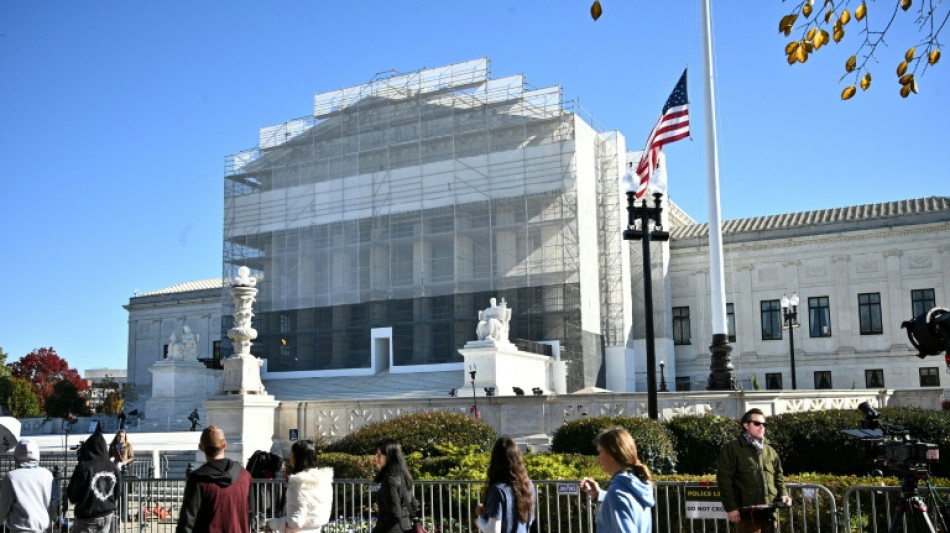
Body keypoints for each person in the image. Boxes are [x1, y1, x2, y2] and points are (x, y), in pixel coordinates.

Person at [716, 408, 792, 533]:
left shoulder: (770, 451)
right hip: (747, 515)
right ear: (746, 425)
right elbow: (724, 480)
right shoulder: (732, 449)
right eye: (757, 423)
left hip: (770, 514)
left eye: (764, 424)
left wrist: (784, 494)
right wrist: (731, 508)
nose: (761, 427)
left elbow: (778, 476)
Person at [176, 425, 252, 533]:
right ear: (224, 445)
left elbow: (187, 523)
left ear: (201, 447)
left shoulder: (198, 480)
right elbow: (250, 514)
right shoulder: (244, 475)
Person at [580, 427, 655, 533]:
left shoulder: (617, 493)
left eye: (600, 452)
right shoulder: (638, 485)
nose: (598, 458)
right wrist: (599, 494)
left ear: (611, 455)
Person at [265, 440, 334, 532]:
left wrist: (271, 523)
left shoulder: (297, 483)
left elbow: (295, 522)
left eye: (291, 454)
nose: (290, 458)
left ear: (297, 458)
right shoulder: (324, 481)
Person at [475, 437, 535, 533]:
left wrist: (479, 521)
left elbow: (493, 530)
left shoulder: (498, 490)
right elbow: (529, 521)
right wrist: (486, 513)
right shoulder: (528, 485)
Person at [67, 429, 122, 533]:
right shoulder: (114, 467)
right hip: (107, 514)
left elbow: (73, 496)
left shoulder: (85, 467)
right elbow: (118, 493)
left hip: (87, 517)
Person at [0, 438, 58, 532]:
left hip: (19, 528)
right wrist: (47, 519)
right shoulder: (47, 475)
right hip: (41, 528)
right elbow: (54, 502)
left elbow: (4, 507)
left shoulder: (11, 477)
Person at [371, 439, 418, 533]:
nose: (377, 459)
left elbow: (394, 513)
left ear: (389, 456)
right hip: (406, 527)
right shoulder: (404, 476)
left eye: (380, 455)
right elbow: (413, 505)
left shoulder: (389, 480)